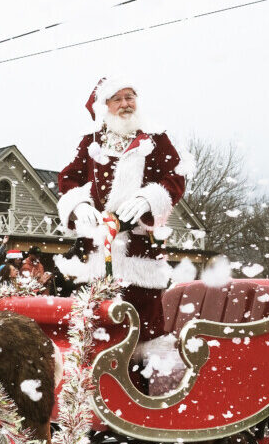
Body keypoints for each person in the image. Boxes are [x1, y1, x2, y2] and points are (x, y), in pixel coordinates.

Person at [56, 77, 186, 384]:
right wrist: (79, 205)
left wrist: (147, 199)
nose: (126, 104)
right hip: (98, 256)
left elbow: (176, 178)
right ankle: (97, 396)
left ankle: (149, 398)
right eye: (118, 99)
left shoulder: (155, 139)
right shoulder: (91, 143)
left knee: (145, 331)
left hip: (141, 255)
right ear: (105, 106)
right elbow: (67, 179)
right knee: (99, 328)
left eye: (130, 97)